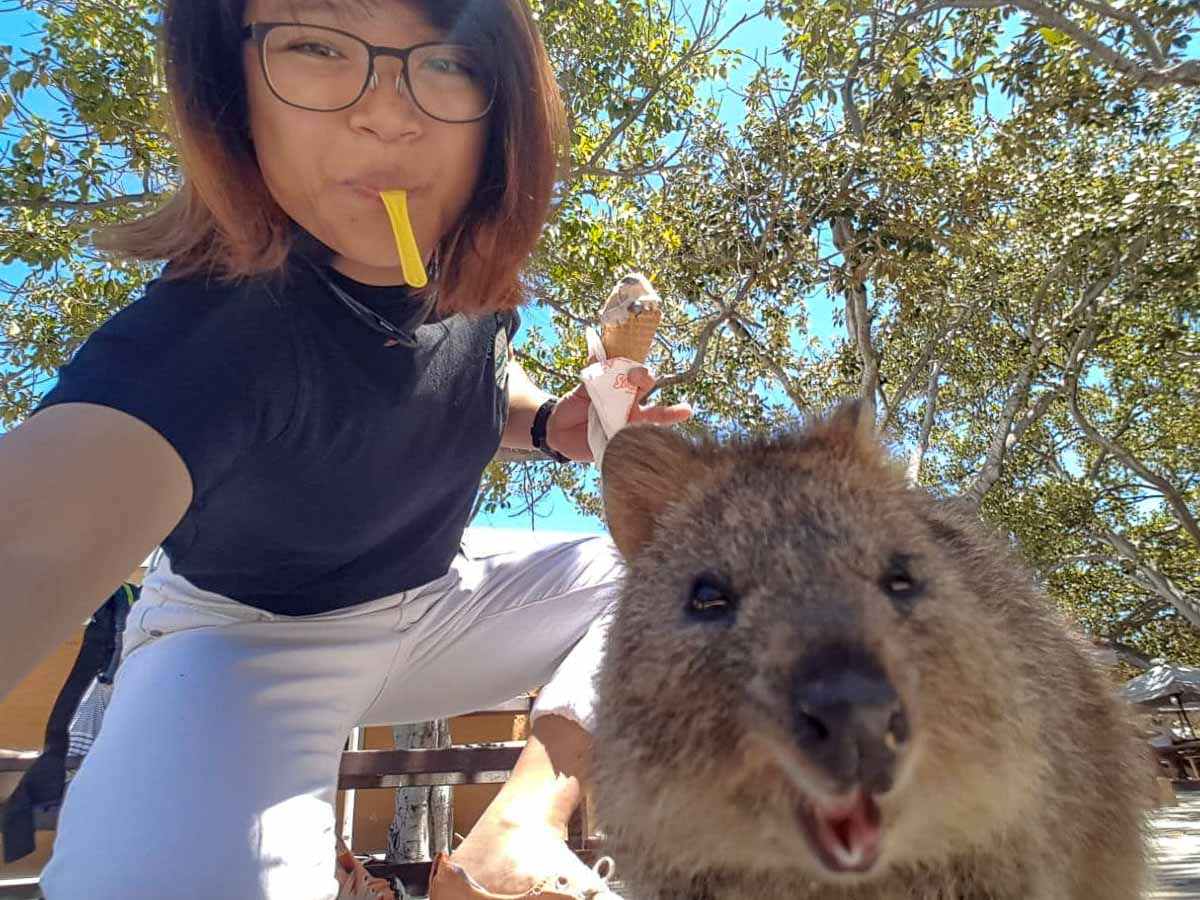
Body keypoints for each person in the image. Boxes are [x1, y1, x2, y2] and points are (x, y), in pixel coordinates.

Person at [0, 1, 691, 897]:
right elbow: (31, 533)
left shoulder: (463, 283)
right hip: (243, 642)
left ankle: (514, 835)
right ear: (229, 84)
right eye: (318, 47)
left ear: (500, 112)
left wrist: (545, 426)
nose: (390, 112)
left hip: (437, 599)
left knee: (688, 561)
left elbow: (465, 381)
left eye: (445, 64)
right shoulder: (203, 341)